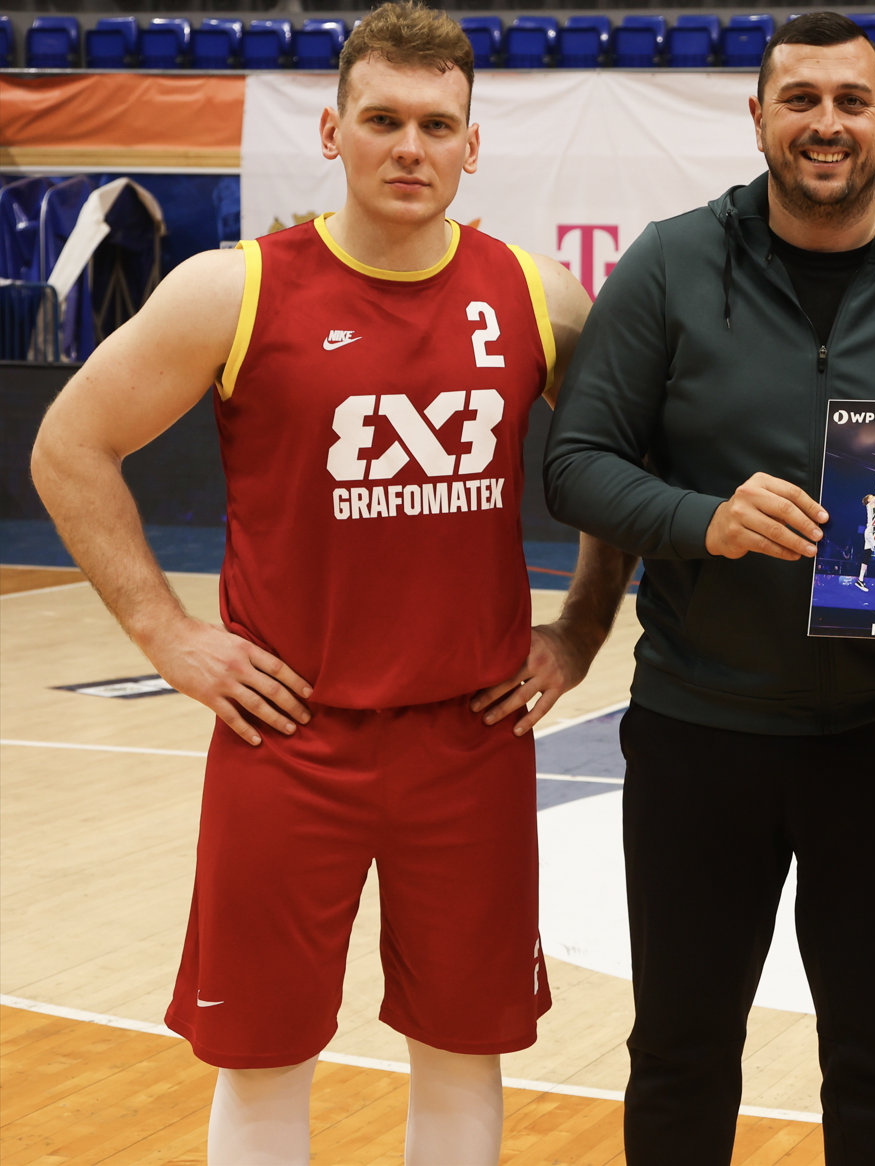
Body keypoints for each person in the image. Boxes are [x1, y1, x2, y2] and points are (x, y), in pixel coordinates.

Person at [29, 6, 630, 1163]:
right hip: (287, 734)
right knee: (262, 1052)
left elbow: (620, 468)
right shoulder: (234, 289)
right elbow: (69, 445)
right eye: (383, 120)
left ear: (470, 144)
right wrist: (166, 633)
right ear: (331, 130)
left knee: (463, 1047)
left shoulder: (537, 295)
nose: (410, 147)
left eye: (436, 125)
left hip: (470, 735)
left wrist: (582, 627)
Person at [540, 13, 875, 1165]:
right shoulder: (670, 262)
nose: (826, 123)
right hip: (698, 729)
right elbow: (576, 463)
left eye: (850, 101)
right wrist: (702, 520)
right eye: (800, 99)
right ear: (757, 114)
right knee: (679, 1052)